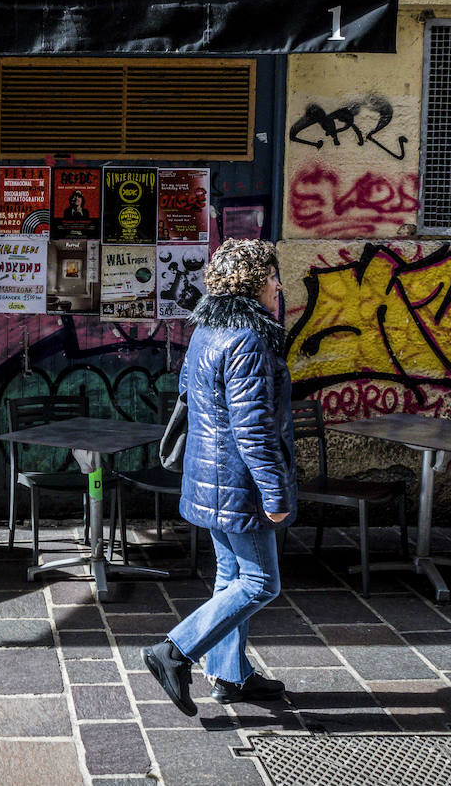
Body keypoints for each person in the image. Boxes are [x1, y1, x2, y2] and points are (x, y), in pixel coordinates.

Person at [142, 238, 296, 714]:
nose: (278, 287)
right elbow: (253, 429)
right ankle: (174, 650)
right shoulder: (248, 339)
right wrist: (275, 493)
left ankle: (230, 676)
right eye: (272, 278)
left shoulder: (207, 331)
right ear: (253, 284)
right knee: (260, 583)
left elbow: (192, 400)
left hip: (209, 478)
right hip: (239, 486)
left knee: (231, 577)